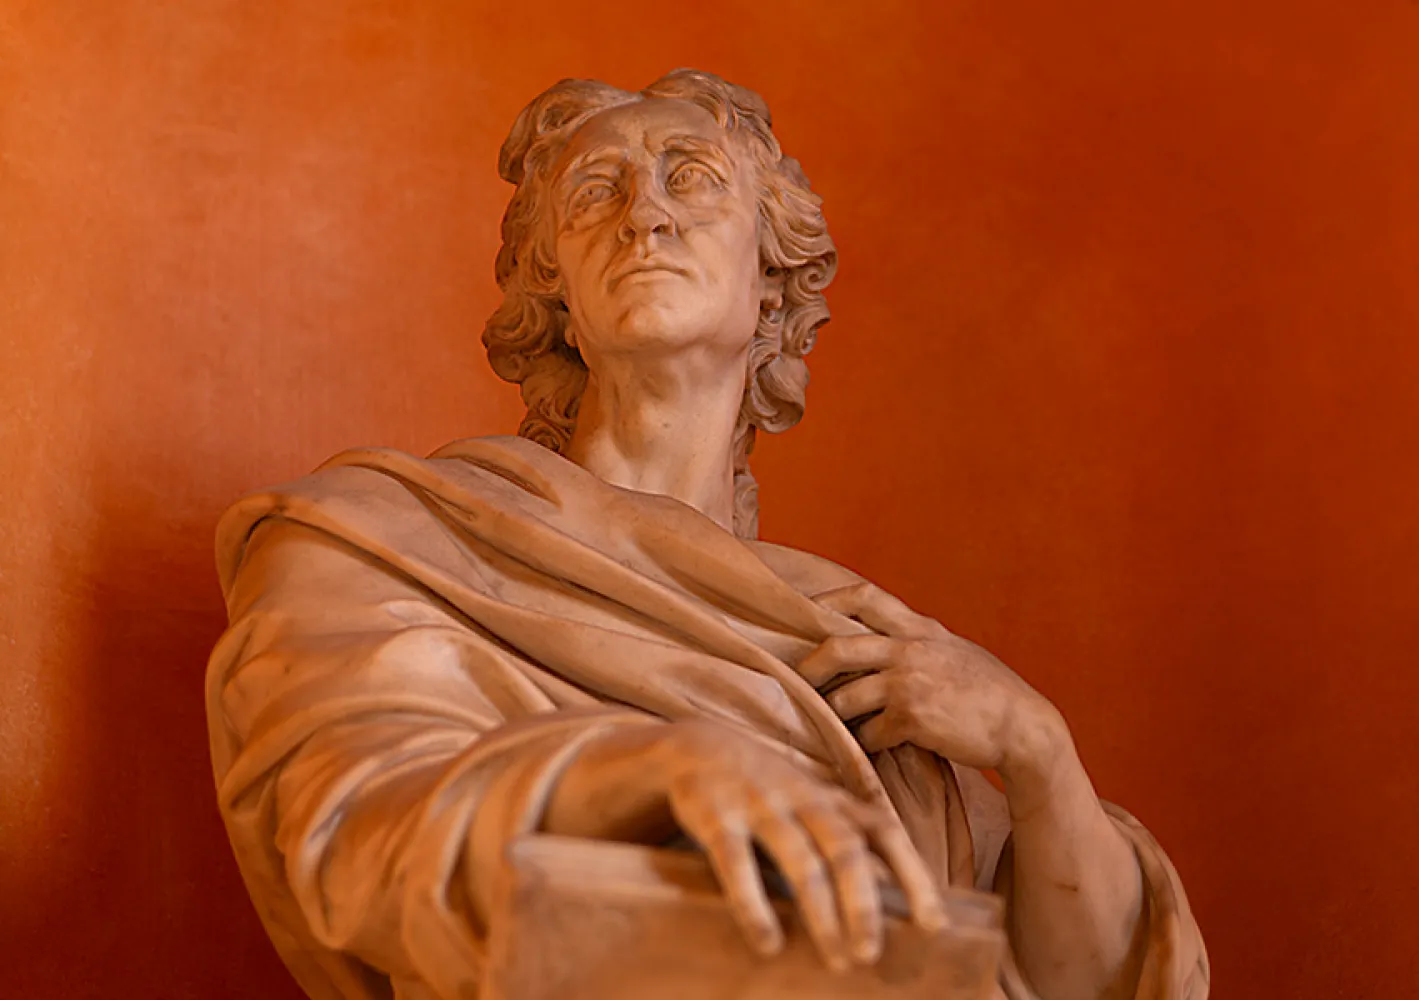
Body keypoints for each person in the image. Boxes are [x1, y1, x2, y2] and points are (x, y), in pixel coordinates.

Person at [207, 69, 1209, 1000]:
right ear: (556, 296)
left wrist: (1038, 753)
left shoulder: (862, 656)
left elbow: (1090, 985)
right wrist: (650, 769)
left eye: (691, 180)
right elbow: (352, 826)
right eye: (596, 192)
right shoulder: (383, 543)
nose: (645, 214)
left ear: (770, 280)